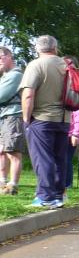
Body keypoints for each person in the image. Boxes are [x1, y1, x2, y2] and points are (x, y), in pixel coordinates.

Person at [18, 35, 70, 208]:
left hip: (41, 118)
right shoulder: (67, 65)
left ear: (37, 48)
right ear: (55, 47)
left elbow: (28, 94)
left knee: (43, 159)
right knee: (59, 158)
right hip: (64, 119)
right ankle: (58, 196)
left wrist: (26, 119)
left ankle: (44, 197)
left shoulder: (36, 65)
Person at [0, 46, 24, 195]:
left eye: (1, 56)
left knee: (13, 151)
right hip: (3, 116)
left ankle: (13, 185)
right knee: (2, 151)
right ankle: (2, 181)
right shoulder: (4, 76)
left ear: (9, 56)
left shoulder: (16, 75)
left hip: (13, 115)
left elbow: (1, 95)